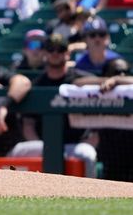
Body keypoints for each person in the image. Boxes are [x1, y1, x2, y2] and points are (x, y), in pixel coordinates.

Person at [7, 34, 99, 177]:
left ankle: (90, 196)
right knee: (16, 152)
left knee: (88, 153)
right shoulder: (37, 84)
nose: (55, 53)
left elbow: (97, 119)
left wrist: (91, 139)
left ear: (67, 53)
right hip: (43, 145)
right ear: (44, 53)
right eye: (51, 49)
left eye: (60, 49)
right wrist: (46, 149)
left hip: (75, 145)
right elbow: (28, 125)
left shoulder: (81, 79)